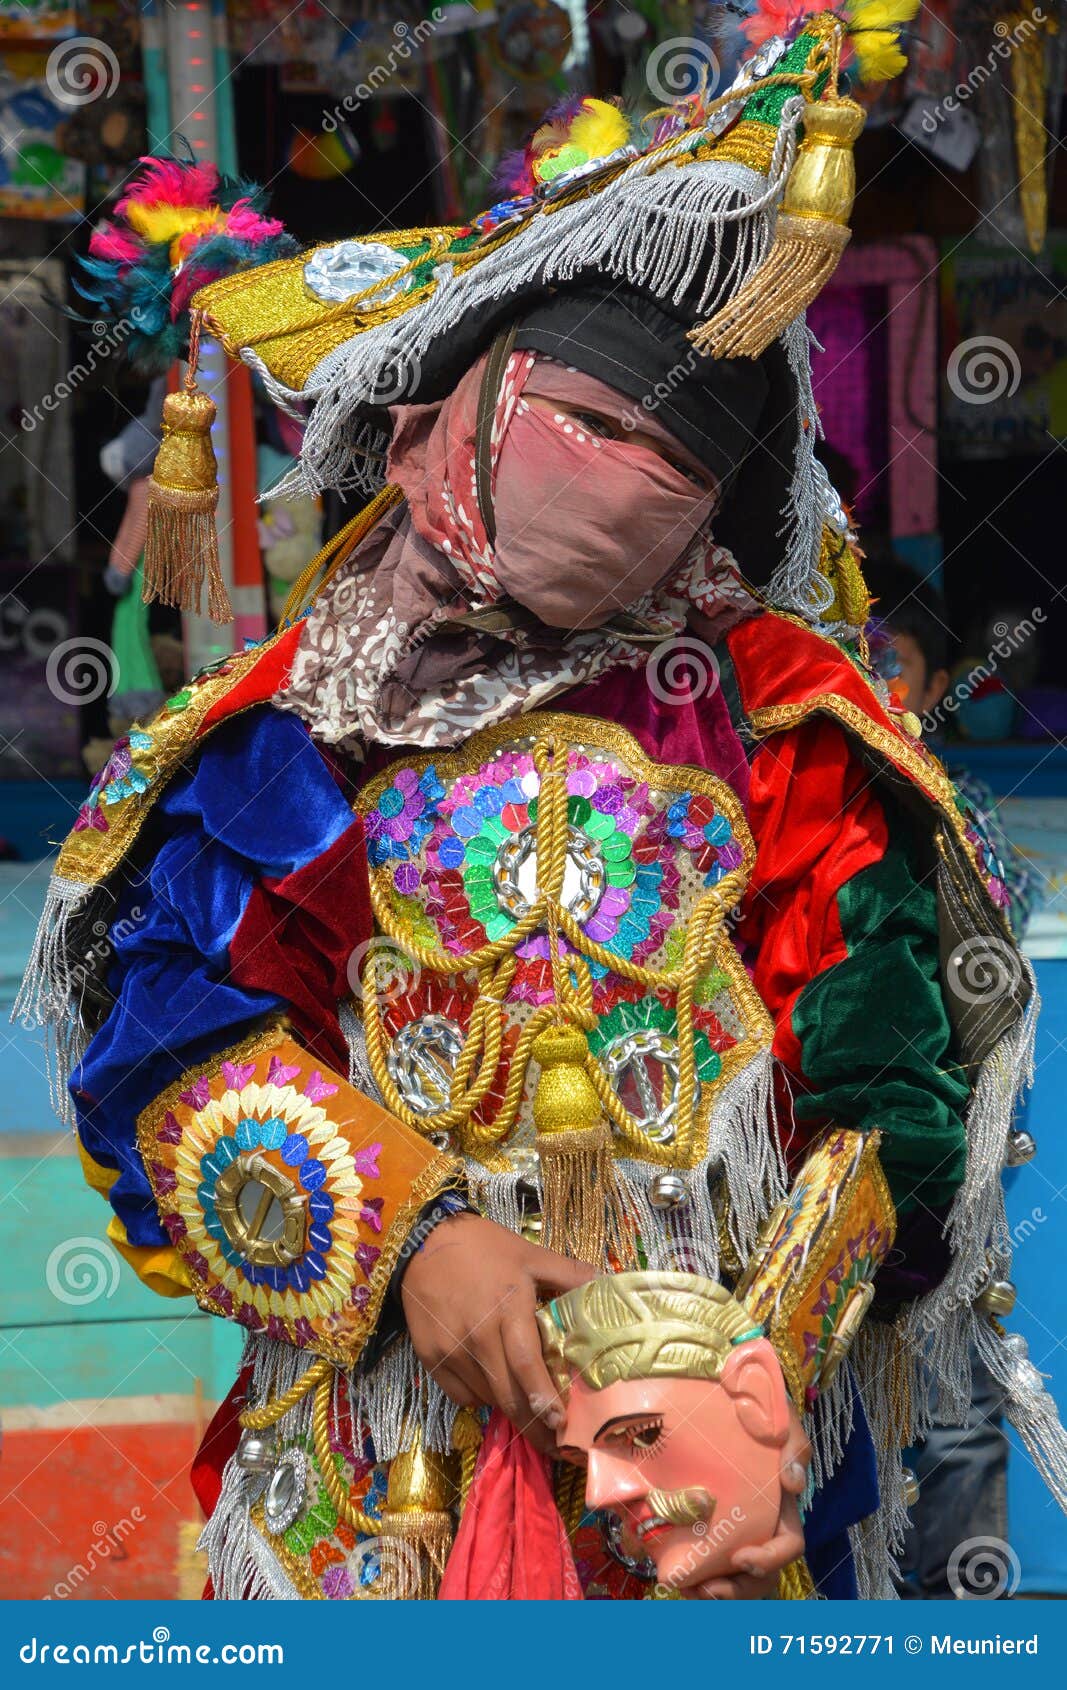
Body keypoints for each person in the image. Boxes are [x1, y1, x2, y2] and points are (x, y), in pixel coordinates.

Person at [20, 10, 1064, 1602]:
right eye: (590, 422)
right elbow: (160, 1034)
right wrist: (412, 1240)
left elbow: (893, 1089)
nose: (623, 477)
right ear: (452, 418)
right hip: (381, 1473)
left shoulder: (782, 717)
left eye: (672, 463)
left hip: (730, 1483)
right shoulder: (312, 714)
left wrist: (745, 1387)